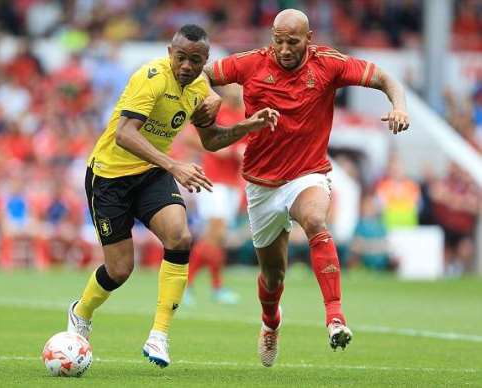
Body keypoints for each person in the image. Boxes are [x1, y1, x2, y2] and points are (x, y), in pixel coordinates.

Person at [201, 9, 410, 367]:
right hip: (261, 183)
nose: (284, 48)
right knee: (273, 274)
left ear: (308, 38)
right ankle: (270, 322)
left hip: (307, 173)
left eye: (292, 41)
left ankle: (335, 317)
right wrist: (210, 96)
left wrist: (399, 107)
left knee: (315, 220)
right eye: (278, 40)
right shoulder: (251, 63)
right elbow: (204, 73)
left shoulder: (328, 64)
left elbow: (385, 78)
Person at [66, 24, 278, 369]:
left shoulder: (198, 88)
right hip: (110, 177)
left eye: (195, 60)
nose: (186, 66)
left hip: (151, 174)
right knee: (119, 270)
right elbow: (123, 134)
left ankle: (159, 335)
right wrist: (175, 165)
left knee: (180, 237)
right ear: (170, 53)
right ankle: (81, 311)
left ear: (204, 60)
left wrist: (247, 126)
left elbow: (210, 141)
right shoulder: (150, 78)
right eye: (180, 57)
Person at [185, 85, 245, 305]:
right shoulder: (216, 111)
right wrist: (217, 149)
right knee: (216, 231)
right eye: (234, 85)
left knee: (217, 238)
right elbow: (189, 137)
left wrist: (243, 154)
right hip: (212, 180)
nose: (237, 89)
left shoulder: (246, 115)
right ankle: (188, 285)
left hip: (231, 184)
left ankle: (215, 287)